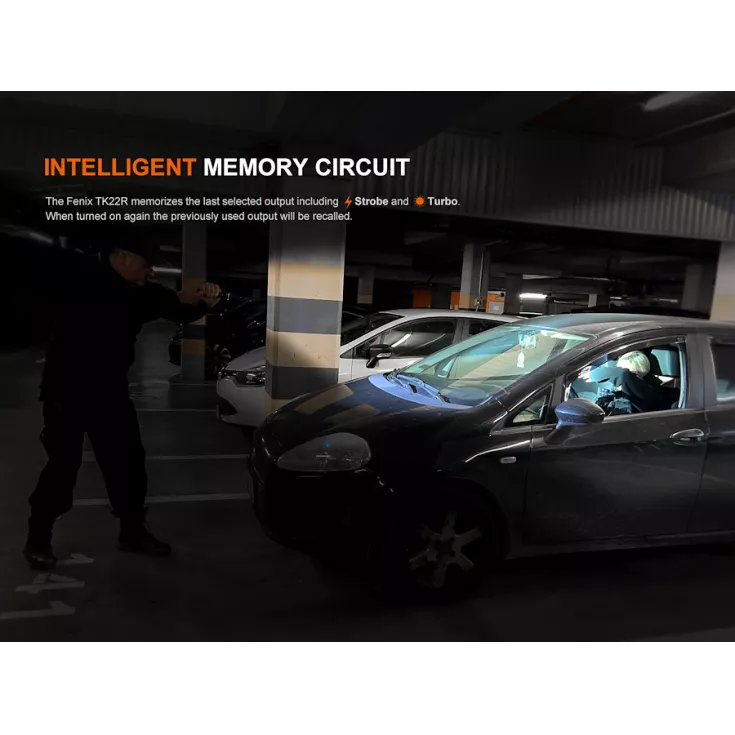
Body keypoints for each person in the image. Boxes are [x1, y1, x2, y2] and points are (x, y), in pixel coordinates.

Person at [20, 234, 221, 570]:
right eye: (146, 265)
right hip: (65, 392)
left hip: (109, 393)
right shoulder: (75, 273)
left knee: (127, 463)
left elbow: (175, 305)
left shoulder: (137, 291)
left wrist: (204, 302)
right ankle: (38, 537)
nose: (151, 272)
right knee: (62, 467)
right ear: (124, 257)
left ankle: (132, 532)